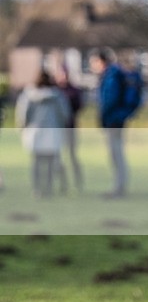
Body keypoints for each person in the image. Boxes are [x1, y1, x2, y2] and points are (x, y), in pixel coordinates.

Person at [15, 70, 70, 198]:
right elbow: (64, 113)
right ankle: (48, 188)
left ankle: (37, 188)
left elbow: (23, 113)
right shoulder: (57, 95)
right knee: (50, 163)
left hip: (35, 132)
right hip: (52, 131)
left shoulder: (29, 95)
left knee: (36, 162)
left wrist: (22, 127)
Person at [89, 47, 130, 198]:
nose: (92, 65)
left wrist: (103, 116)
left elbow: (109, 100)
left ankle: (119, 187)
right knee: (116, 153)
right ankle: (119, 186)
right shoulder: (111, 75)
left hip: (114, 120)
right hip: (115, 119)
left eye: (94, 62)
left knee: (116, 154)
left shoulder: (111, 76)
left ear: (101, 61)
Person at [55, 67, 84, 192]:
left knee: (72, 156)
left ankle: (78, 182)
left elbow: (79, 106)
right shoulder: (55, 90)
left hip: (70, 127)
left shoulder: (73, 91)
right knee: (58, 158)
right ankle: (63, 183)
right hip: (58, 128)